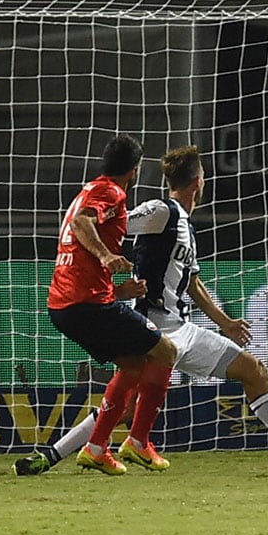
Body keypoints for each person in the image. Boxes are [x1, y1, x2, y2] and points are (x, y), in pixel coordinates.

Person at [15, 145, 268, 476]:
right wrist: (106, 257)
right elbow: (116, 225)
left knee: (254, 371)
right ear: (199, 182)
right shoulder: (160, 210)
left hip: (182, 327)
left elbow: (193, 284)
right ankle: (62, 455)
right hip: (153, 323)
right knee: (124, 405)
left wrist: (224, 322)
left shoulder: (186, 225)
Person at [45, 133, 178, 475]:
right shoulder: (110, 192)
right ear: (134, 170)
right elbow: (80, 223)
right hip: (86, 305)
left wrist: (120, 291)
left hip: (69, 304)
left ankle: (96, 448)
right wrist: (107, 255)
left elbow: (80, 256)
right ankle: (137, 442)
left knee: (133, 366)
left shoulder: (87, 191)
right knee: (165, 353)